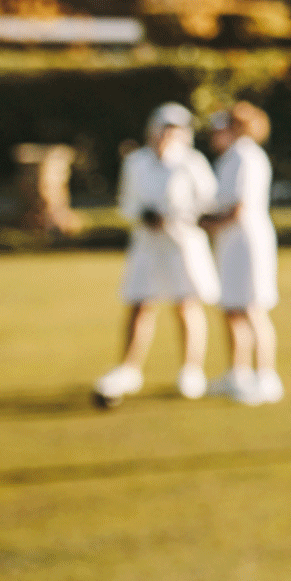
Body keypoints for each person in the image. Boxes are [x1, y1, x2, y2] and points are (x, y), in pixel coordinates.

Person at [93, 102, 221, 408]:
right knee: (140, 305)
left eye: (174, 129)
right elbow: (127, 203)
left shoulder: (192, 162)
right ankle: (129, 368)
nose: (168, 135)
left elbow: (208, 202)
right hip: (147, 243)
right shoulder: (136, 162)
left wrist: (176, 217)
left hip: (182, 243)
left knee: (186, 304)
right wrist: (144, 215)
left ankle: (191, 371)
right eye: (164, 128)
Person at [200, 101, 283, 406]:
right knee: (232, 308)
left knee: (252, 308)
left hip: (248, 242)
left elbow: (239, 207)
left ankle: (267, 377)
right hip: (230, 243)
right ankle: (238, 374)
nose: (213, 133)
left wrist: (208, 224)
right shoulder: (229, 158)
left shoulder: (247, 156)